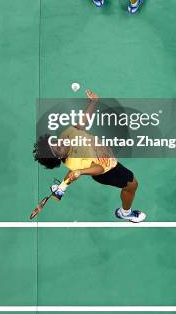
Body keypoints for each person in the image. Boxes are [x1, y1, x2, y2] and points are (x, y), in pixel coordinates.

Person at [33, 89, 146, 223]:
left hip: (97, 157)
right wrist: (81, 172)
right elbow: (99, 169)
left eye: (55, 141)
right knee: (132, 185)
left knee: (74, 172)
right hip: (108, 170)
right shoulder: (76, 161)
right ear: (59, 157)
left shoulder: (65, 136)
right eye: (58, 148)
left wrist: (93, 102)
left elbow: (81, 125)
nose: (60, 142)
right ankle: (125, 213)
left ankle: (61, 188)